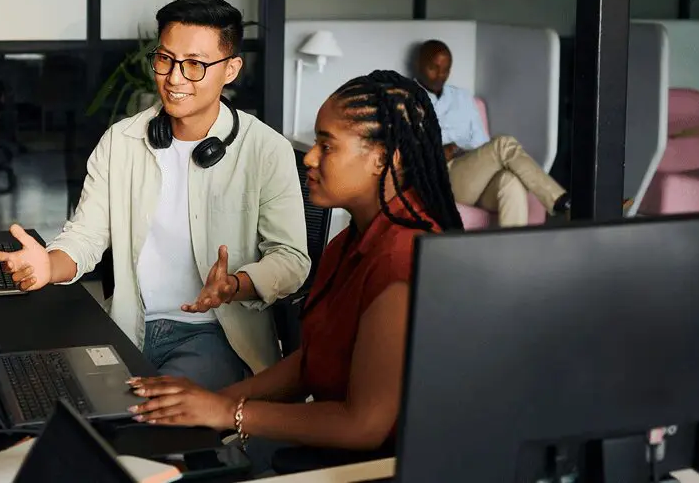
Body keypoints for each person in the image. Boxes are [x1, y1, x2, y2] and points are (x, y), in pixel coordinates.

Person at [126, 70, 463, 470]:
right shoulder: (349, 242)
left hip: (377, 468)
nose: (310, 157)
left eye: (327, 145)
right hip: (332, 452)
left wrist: (227, 414)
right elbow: (310, 364)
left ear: (383, 158)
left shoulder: (402, 261)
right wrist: (218, 401)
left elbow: (363, 426)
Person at [0, 0, 310, 391]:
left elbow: (291, 259)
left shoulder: (265, 149)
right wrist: (49, 266)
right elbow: (87, 235)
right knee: (55, 399)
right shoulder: (121, 141)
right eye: (165, 59)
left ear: (231, 70)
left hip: (213, 335)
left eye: (194, 65)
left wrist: (237, 284)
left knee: (151, 417)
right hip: (128, 325)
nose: (174, 78)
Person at [414, 39, 569, 227]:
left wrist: (464, 151)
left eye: (446, 69)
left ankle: (511, 254)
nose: (440, 75)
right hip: (443, 177)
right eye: (433, 68)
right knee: (503, 144)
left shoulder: (462, 97)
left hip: (473, 171)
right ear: (419, 65)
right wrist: (439, 152)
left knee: (511, 182)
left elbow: (481, 143)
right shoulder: (405, 100)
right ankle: (559, 201)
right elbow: (406, 154)